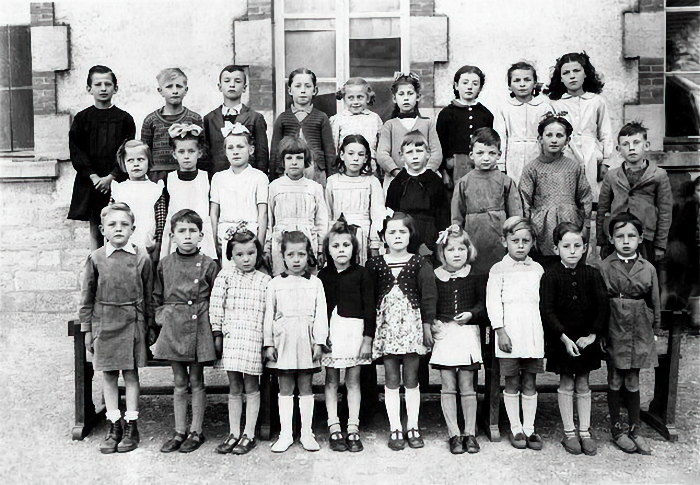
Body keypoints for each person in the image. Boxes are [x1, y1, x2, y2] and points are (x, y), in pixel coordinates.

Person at [79, 203, 154, 454]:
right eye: (112, 224)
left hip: (132, 321)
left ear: (133, 229)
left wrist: (149, 326)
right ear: (102, 230)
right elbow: (86, 297)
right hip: (105, 322)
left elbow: (150, 294)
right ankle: (114, 424)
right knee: (109, 376)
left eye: (124, 224)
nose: (118, 229)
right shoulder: (96, 258)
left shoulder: (142, 256)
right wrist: (88, 329)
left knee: (131, 375)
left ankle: (132, 424)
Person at [366, 212, 437, 451]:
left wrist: (427, 325)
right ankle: (395, 426)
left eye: (402, 232)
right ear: (383, 237)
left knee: (411, 378)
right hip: (386, 327)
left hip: (411, 327)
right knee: (391, 378)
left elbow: (428, 296)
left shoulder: (419, 262)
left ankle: (413, 425)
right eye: (392, 232)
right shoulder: (374, 264)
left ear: (410, 235)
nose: (397, 236)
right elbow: (370, 298)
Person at [540, 222, 609, 456]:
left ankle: (585, 431)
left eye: (577, 245)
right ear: (556, 247)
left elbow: (602, 306)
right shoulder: (550, 276)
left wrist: (592, 335)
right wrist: (564, 338)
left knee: (583, 383)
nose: (572, 250)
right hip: (563, 341)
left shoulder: (592, 275)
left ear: (585, 248)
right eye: (566, 245)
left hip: (585, 340)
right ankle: (569, 432)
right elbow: (547, 310)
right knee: (566, 382)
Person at [153, 210, 219, 454]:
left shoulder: (209, 264)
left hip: (199, 323)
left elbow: (217, 296)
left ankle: (196, 431)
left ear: (201, 236)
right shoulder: (165, 264)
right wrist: (163, 317)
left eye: (192, 231)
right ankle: (179, 430)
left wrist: (214, 327)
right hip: (173, 327)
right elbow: (156, 296)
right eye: (182, 231)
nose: (187, 236)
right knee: (179, 381)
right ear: (172, 236)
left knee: (196, 379)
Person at [599, 213, 660, 455]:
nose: (626, 241)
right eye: (620, 236)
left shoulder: (648, 268)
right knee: (615, 378)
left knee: (633, 379)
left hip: (639, 326)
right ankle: (617, 429)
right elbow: (601, 302)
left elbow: (654, 300)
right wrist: (601, 331)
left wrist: (655, 329)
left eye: (631, 236)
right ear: (611, 239)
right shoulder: (605, 267)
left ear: (640, 238)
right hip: (615, 323)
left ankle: (635, 429)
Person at [264, 231, 328, 453]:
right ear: (283, 256)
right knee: (285, 387)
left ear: (308, 254)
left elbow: (321, 314)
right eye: (291, 254)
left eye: (301, 253)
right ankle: (286, 434)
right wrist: (269, 344)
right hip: (284, 341)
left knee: (305, 386)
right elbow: (268, 315)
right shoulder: (274, 284)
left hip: (306, 341)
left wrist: (319, 341)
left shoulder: (316, 283)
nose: (297, 259)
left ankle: (307, 433)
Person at [210, 224, 271, 455]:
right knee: (235, 386)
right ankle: (234, 432)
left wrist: (267, 343)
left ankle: (249, 433)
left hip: (253, 338)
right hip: (232, 337)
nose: (246, 259)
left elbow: (269, 315)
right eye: (239, 254)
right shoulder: (225, 276)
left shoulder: (264, 281)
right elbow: (216, 306)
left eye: (251, 253)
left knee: (251, 385)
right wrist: (217, 333)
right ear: (231, 256)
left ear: (258, 253)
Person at [486, 216, 545, 450]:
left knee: (530, 381)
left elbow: (543, 303)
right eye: (515, 240)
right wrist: (500, 331)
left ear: (532, 243)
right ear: (505, 241)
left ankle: (530, 429)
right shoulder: (498, 270)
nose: (520, 245)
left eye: (525, 241)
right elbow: (493, 303)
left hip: (532, 332)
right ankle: (515, 428)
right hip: (509, 333)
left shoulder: (538, 269)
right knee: (511, 381)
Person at [319, 218, 375, 452]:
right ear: (327, 250)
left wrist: (367, 339)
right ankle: (334, 426)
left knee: (353, 381)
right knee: (332, 380)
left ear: (354, 248)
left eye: (346, 245)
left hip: (355, 333)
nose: (341, 250)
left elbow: (369, 308)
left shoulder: (362, 274)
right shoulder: (323, 277)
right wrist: (321, 336)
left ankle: (353, 427)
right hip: (332, 333)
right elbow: (319, 310)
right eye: (335, 246)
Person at [429, 225, 485, 455]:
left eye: (461, 248)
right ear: (443, 253)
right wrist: (432, 322)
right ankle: (453, 433)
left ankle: (469, 433)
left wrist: (472, 313)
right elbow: (428, 303)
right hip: (445, 335)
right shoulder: (435, 276)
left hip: (467, 335)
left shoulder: (474, 275)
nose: (457, 253)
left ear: (468, 250)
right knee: (448, 385)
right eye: (451, 249)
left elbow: (483, 304)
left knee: (467, 385)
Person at [68, 65, 136, 250]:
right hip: (92, 183)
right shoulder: (82, 119)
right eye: (98, 84)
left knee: (119, 224)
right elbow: (77, 150)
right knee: (97, 227)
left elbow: (127, 151)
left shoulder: (125, 119)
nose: (103, 88)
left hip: (117, 181)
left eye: (108, 84)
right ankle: (98, 268)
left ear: (116, 88)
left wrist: (111, 177)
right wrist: (94, 177)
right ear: (89, 88)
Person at [519, 114, 593, 267]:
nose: (554, 140)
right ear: (540, 139)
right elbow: (524, 201)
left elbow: (584, 196)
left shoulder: (573, 167)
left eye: (559, 135)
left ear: (567, 140)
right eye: (549, 135)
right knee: (546, 265)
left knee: (570, 261)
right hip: (542, 226)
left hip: (570, 221)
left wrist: (585, 225)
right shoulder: (532, 168)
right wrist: (528, 229)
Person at [596, 121, 673, 264]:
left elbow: (665, 212)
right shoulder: (612, 176)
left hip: (646, 237)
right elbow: (602, 209)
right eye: (625, 144)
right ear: (619, 149)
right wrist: (602, 240)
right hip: (617, 237)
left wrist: (660, 245)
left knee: (644, 276)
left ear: (646, 145)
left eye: (636, 142)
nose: (631, 148)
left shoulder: (659, 175)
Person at [451, 127, 523, 276]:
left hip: (498, 235)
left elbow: (515, 215)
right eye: (480, 153)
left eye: (491, 153)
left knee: (500, 271)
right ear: (471, 155)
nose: (485, 158)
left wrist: (514, 236)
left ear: (499, 155)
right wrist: (457, 236)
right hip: (474, 234)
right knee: (475, 272)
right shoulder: (463, 182)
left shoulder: (506, 181)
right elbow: (457, 216)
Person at [546, 52, 613, 200]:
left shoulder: (596, 101)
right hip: (565, 155)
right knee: (566, 197)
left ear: (585, 74)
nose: (572, 76)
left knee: (591, 196)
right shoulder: (556, 105)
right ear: (561, 78)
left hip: (592, 156)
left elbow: (605, 133)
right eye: (566, 72)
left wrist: (606, 163)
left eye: (576, 71)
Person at [266, 136, 329, 275]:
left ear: (306, 161)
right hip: (281, 241)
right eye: (289, 158)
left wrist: (320, 248)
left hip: (307, 240)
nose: (294, 162)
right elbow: (269, 220)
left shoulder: (314, 188)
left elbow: (321, 221)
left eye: (299, 158)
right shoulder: (274, 187)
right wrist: (267, 247)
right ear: (282, 161)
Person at [210, 123, 268, 267]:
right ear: (225, 152)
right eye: (230, 148)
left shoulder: (259, 177)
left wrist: (259, 243)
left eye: (240, 147)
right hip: (226, 235)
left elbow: (263, 213)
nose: (235, 152)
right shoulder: (218, 178)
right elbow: (214, 213)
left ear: (251, 149)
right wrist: (214, 242)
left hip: (251, 233)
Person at [386, 131, 449, 259]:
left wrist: (436, 241)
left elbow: (443, 214)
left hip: (429, 237)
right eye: (409, 152)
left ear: (428, 154)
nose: (415, 156)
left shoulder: (435, 181)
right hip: (404, 238)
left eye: (419, 151)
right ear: (401, 156)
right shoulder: (398, 183)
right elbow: (390, 213)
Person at [159, 123, 217, 261]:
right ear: (174, 154)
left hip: (201, 233)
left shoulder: (207, 177)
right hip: (176, 233)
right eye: (181, 152)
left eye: (191, 151)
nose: (186, 156)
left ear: (199, 153)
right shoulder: (168, 179)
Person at [325, 134, 385, 265]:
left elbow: (378, 214)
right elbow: (327, 214)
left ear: (366, 158)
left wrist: (374, 244)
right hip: (338, 237)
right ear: (342, 155)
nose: (355, 159)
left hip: (362, 237)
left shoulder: (372, 182)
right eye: (351, 153)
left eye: (360, 154)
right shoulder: (332, 182)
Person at [269, 68, 335, 185]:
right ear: (289, 90)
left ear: (315, 90)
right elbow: (275, 151)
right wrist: (273, 178)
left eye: (308, 86)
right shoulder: (283, 118)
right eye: (298, 86)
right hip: (288, 171)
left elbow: (329, 152)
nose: (303, 91)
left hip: (316, 173)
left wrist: (331, 179)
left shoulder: (321, 117)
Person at [377, 72, 442, 188]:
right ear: (394, 98)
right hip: (397, 179)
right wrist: (396, 172)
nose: (406, 98)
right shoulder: (389, 125)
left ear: (418, 97)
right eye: (401, 94)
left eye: (410, 94)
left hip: (425, 180)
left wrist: (426, 172)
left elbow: (436, 152)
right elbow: (382, 154)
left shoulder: (427, 124)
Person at [203, 65, 269, 175]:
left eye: (237, 81)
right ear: (220, 86)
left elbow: (262, 156)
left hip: (247, 179)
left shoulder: (255, 118)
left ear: (244, 87)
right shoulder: (209, 119)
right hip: (218, 178)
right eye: (227, 81)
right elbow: (205, 155)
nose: (232, 85)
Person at [141, 68, 203, 182]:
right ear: (160, 91)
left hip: (186, 174)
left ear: (186, 90)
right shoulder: (150, 120)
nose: (175, 91)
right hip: (157, 175)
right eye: (169, 86)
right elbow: (145, 151)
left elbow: (202, 149)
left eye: (179, 86)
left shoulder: (195, 119)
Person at [493, 61, 550, 185]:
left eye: (527, 80)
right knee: (515, 191)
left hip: (538, 154)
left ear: (534, 83)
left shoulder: (544, 107)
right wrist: (500, 164)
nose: (522, 84)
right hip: (513, 156)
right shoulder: (504, 108)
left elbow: (549, 135)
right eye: (517, 80)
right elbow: (500, 137)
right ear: (509, 85)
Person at [436, 65, 493, 186]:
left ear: (480, 88)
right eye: (465, 82)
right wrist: (443, 171)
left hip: (479, 167)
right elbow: (440, 144)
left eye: (475, 83)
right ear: (456, 85)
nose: (469, 87)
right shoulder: (446, 114)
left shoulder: (485, 114)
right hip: (453, 170)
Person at [110, 140, 165, 261]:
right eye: (130, 160)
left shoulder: (155, 190)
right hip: (122, 248)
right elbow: (110, 219)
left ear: (148, 162)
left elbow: (161, 222)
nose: (136, 164)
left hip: (148, 247)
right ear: (124, 164)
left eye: (140, 159)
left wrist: (158, 247)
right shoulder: (119, 189)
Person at [330, 78, 384, 176]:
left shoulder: (374, 119)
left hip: (370, 169)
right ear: (344, 98)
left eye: (360, 97)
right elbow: (334, 147)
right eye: (351, 98)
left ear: (367, 98)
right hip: (345, 169)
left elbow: (381, 146)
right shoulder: (338, 119)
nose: (355, 102)